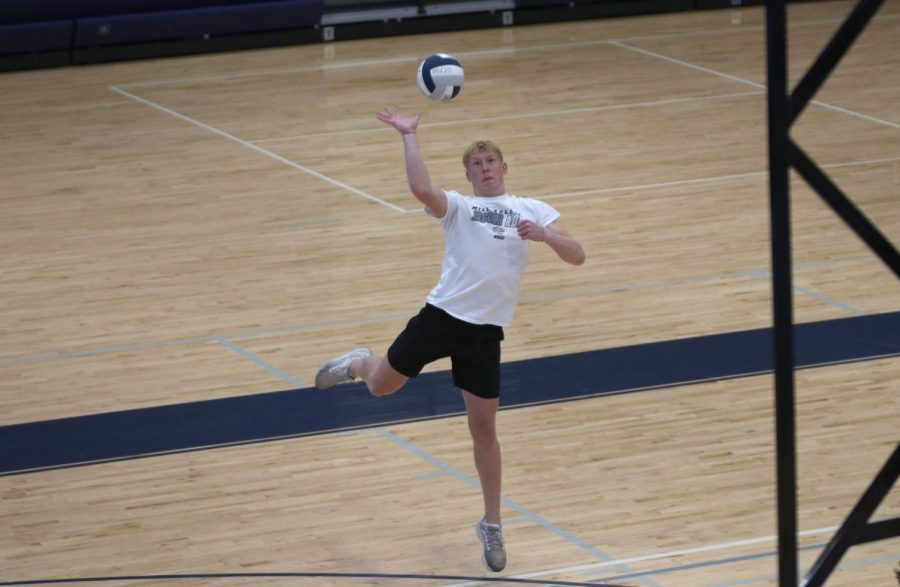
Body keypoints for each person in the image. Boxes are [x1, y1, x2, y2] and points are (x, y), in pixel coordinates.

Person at [315, 105, 585, 573]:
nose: (484, 169)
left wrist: (545, 235)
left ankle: (492, 524)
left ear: (504, 168)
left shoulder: (531, 210)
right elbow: (421, 188)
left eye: (490, 162)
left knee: (484, 430)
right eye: (475, 164)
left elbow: (577, 255)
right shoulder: (461, 206)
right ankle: (359, 360)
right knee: (380, 386)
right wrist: (409, 135)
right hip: (442, 317)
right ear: (469, 174)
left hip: (485, 335)